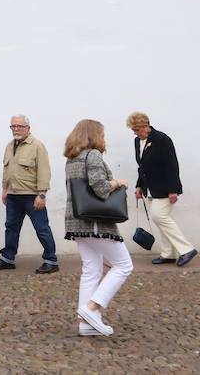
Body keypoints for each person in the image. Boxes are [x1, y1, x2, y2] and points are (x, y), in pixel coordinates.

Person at [64, 119, 134, 337]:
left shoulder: (72, 158)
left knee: (91, 270)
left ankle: (85, 324)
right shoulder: (93, 155)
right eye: (102, 134)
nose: (104, 139)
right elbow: (101, 189)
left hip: (77, 222)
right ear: (94, 135)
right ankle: (91, 308)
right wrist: (118, 182)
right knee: (123, 265)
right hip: (96, 223)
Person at [0, 114, 58, 274]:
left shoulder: (37, 146)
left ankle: (51, 260)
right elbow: (7, 170)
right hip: (13, 195)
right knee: (11, 227)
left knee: (42, 228)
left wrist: (42, 194)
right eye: (13, 126)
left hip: (31, 196)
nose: (16, 129)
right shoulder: (9, 146)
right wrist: (4, 190)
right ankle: (8, 258)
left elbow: (44, 171)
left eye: (19, 126)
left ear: (28, 128)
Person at [127, 112, 197, 267]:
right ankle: (168, 254)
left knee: (159, 216)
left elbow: (172, 165)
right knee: (161, 219)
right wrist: (139, 186)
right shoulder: (137, 141)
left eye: (137, 129)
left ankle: (187, 249)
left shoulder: (162, 139)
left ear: (146, 126)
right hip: (150, 188)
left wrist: (172, 190)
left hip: (165, 187)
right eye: (133, 130)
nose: (135, 133)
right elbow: (142, 167)